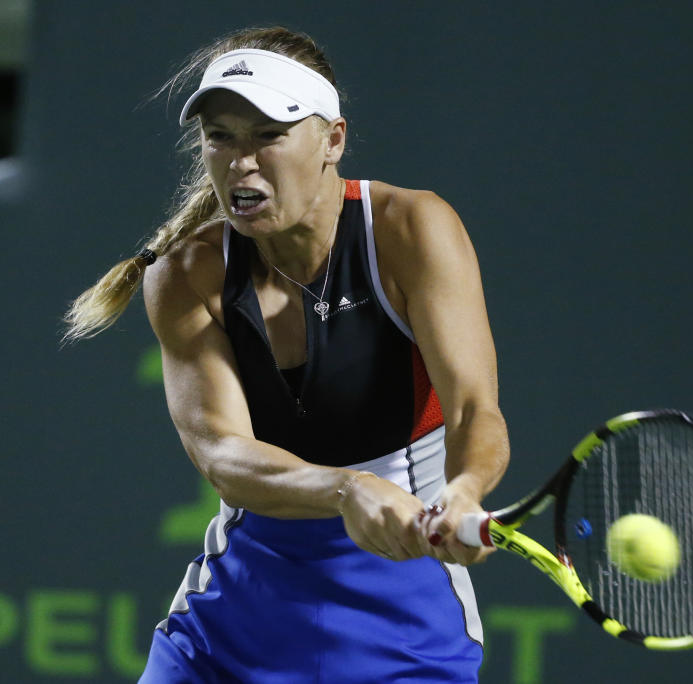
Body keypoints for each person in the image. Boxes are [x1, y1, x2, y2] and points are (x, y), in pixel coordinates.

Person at [63, 26, 509, 683]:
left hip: (405, 635)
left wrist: (464, 489)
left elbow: (474, 409)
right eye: (222, 136)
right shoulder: (186, 275)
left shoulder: (411, 229)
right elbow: (221, 453)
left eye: (269, 136)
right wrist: (346, 488)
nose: (242, 162)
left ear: (333, 140)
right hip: (225, 633)